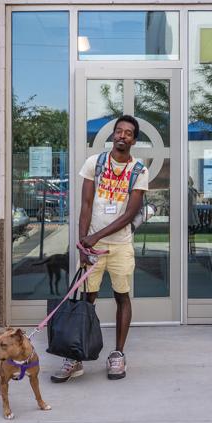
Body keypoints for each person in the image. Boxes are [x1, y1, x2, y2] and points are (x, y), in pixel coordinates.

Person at [51, 114, 147, 383]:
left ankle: (118, 354)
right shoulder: (95, 163)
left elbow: (130, 213)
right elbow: (86, 204)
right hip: (92, 247)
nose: (122, 136)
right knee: (87, 301)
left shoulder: (139, 170)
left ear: (134, 140)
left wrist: (97, 236)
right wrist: (83, 242)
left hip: (120, 247)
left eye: (128, 133)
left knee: (122, 297)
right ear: (112, 135)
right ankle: (76, 356)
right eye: (119, 131)